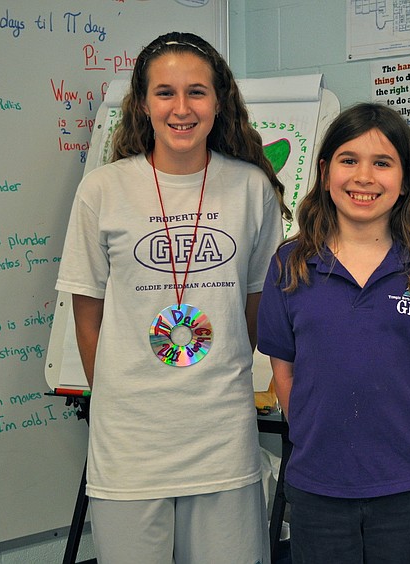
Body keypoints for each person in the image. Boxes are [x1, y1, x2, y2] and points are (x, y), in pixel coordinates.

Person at [55, 31, 287, 564]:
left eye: (197, 92)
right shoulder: (103, 191)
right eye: (165, 92)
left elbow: (259, 317)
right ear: (142, 102)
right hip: (131, 446)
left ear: (220, 100)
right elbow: (87, 320)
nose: (181, 109)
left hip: (222, 439)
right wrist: (123, 403)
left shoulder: (252, 188)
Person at [256, 102, 410, 564]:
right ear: (326, 171)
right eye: (349, 160)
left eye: (382, 163)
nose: (364, 177)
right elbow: (284, 376)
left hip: (408, 484)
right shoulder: (290, 266)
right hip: (318, 484)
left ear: (405, 180)